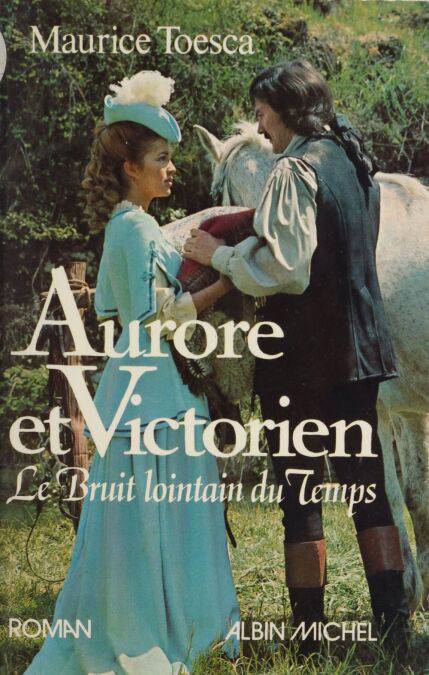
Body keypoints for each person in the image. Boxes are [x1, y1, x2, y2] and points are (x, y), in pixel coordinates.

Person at [183, 59, 410, 651]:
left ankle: (309, 638)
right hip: (359, 351)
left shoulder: (293, 171)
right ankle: (394, 628)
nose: (262, 128)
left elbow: (285, 269)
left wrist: (216, 255)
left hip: (301, 358)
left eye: (263, 115)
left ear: (286, 111)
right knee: (368, 490)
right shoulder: (354, 163)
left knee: (300, 496)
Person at [25, 70, 239, 675]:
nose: (172, 169)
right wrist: (223, 280)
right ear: (130, 167)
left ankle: (150, 617)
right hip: (155, 383)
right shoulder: (139, 227)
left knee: (135, 518)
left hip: (131, 378)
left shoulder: (122, 225)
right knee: (165, 507)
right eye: (161, 159)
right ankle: (177, 628)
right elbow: (156, 318)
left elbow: (113, 309)